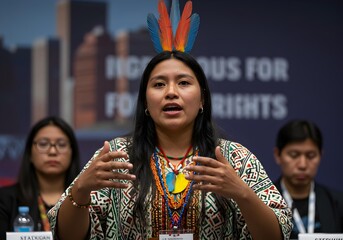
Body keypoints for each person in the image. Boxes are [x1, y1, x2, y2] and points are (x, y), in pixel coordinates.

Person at [47, 50, 292, 239]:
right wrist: (80, 191)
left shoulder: (235, 158)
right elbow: (66, 236)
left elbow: (278, 235)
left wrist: (243, 193)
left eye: (184, 83)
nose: (171, 92)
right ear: (145, 101)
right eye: (159, 84)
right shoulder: (116, 157)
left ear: (202, 99)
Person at [0, 116, 81, 238]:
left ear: (72, 152)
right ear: (30, 154)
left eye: (61, 144)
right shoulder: (5, 200)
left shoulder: (85, 201)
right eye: (43, 144)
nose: (53, 151)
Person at [273, 119, 343, 239]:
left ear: (320, 155)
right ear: (278, 155)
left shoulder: (338, 204)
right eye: (294, 155)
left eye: (311, 156)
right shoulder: (263, 202)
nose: (303, 165)